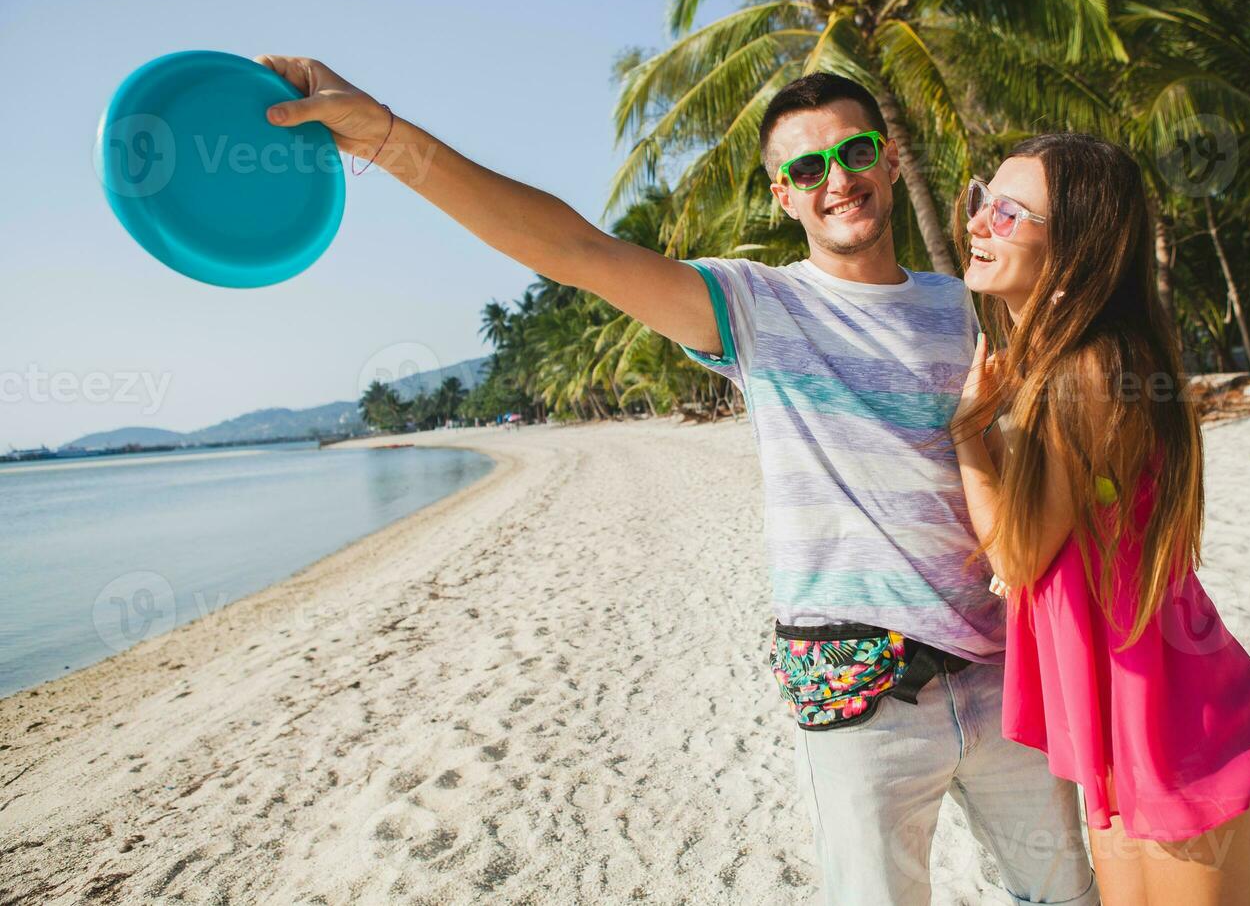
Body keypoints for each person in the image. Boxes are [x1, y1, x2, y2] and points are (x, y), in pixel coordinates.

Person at [256, 57, 1097, 905]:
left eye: (855, 151)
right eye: (806, 169)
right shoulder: (757, 306)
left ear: (888, 159)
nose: (836, 180)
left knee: (1065, 896)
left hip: (1007, 671)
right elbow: (575, 249)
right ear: (781, 195)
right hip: (859, 694)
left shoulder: (966, 305)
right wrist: (389, 140)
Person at [948, 133, 1250, 905]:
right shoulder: (1063, 365)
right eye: (980, 201)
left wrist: (969, 434)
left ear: (1074, 245)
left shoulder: (1088, 370)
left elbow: (1019, 559)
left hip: (1174, 724)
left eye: (1007, 212)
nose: (977, 223)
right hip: (1127, 718)